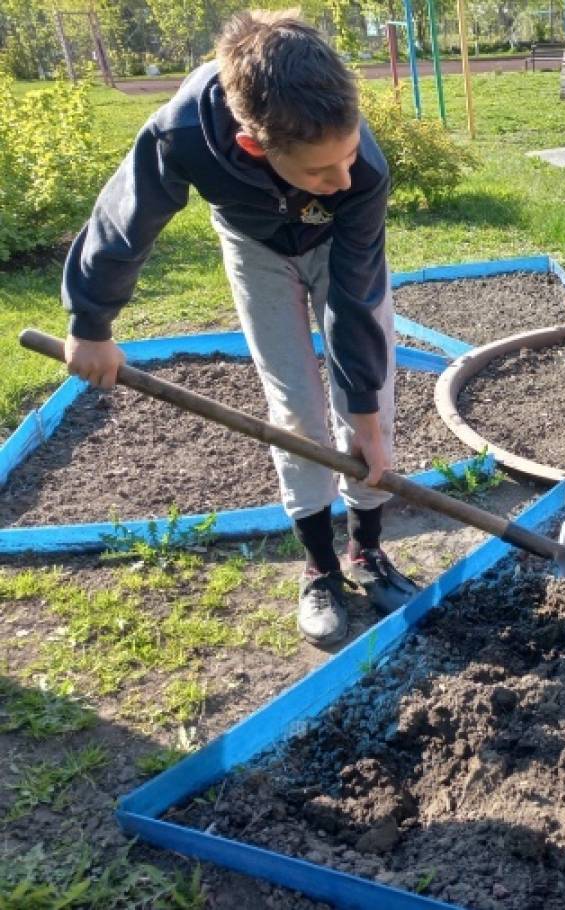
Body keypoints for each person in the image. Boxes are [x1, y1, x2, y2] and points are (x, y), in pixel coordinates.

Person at [61, 10, 416, 647]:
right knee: (294, 409)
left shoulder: (358, 170)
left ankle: (367, 553)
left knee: (373, 405)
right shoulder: (182, 132)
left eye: (347, 157)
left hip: (339, 248)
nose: (343, 178)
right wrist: (91, 323)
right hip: (255, 244)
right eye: (318, 171)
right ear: (254, 145)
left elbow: (355, 299)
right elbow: (125, 222)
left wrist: (364, 417)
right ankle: (320, 568)